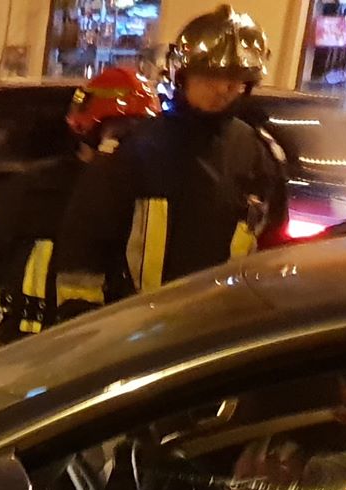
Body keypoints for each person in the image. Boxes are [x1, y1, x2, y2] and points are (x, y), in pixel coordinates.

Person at [55, 5, 288, 318]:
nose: (223, 89)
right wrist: (84, 325)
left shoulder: (260, 156)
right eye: (211, 76)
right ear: (183, 75)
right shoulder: (132, 150)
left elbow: (272, 253)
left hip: (223, 329)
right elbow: (85, 247)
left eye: (235, 79)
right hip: (135, 328)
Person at [0, 68, 160, 367]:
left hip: (98, 348)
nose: (127, 142)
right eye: (120, 130)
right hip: (18, 346)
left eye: (136, 131)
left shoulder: (145, 192)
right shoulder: (36, 187)